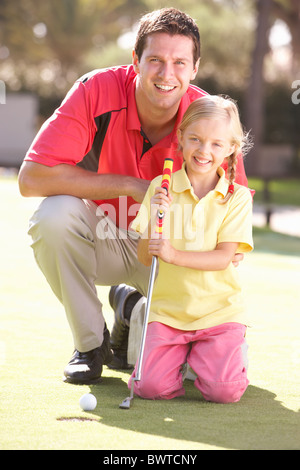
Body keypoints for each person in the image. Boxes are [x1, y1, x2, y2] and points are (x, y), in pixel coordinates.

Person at [18, 8, 249, 385]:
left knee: (198, 378)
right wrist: (129, 185)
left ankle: (131, 307)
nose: (166, 74)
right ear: (136, 61)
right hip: (103, 238)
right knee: (53, 216)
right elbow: (32, 179)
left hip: (169, 253)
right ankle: (91, 344)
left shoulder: (208, 116)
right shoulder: (95, 90)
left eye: (179, 63)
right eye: (155, 60)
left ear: (194, 68)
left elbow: (232, 224)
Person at [129, 95, 253, 404]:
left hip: (219, 313)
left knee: (223, 391)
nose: (204, 151)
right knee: (149, 387)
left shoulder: (236, 197)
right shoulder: (161, 187)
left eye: (215, 144)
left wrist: (173, 255)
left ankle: (224, 351)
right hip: (169, 312)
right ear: (181, 138)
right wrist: (157, 215)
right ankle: (175, 351)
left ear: (231, 148)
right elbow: (145, 257)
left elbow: (224, 257)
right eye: (195, 139)